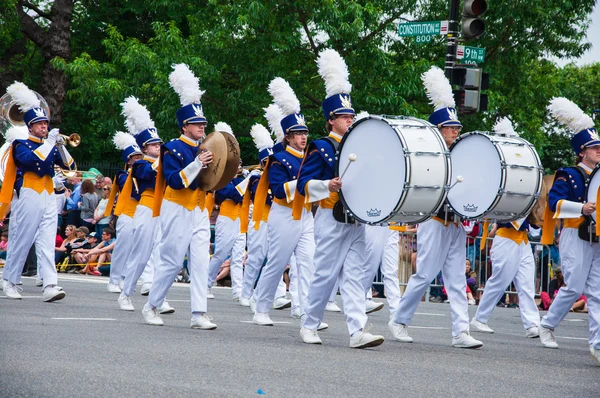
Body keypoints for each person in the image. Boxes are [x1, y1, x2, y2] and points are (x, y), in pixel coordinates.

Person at [388, 66, 482, 348]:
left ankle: (460, 332)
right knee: (425, 274)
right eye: (450, 127)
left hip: (456, 224)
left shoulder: (461, 154)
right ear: (438, 130)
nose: (455, 130)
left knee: (456, 279)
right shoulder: (429, 155)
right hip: (435, 221)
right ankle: (400, 321)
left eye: (456, 127)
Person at [297, 49, 384, 348]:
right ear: (331, 120)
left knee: (357, 275)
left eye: (350, 115)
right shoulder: (321, 147)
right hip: (330, 217)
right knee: (324, 274)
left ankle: (357, 331)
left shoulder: (361, 145)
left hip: (355, 218)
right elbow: (302, 186)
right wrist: (327, 185)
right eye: (344, 117)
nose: (349, 120)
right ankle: (309, 324)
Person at [142, 63, 215, 330]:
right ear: (184, 126)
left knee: (200, 262)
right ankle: (151, 305)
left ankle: (198, 313)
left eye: (203, 123)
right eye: (196, 123)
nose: (201, 127)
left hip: (199, 209)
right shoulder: (172, 148)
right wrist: (197, 163)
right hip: (177, 207)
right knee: (172, 261)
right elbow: (174, 180)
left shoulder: (206, 147)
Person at [250, 79, 317, 328]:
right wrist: (303, 183)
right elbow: (278, 189)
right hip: (285, 214)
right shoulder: (278, 160)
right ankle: (261, 307)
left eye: (305, 132)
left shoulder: (312, 157)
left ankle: (305, 310)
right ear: (287, 137)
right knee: (277, 263)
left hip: (306, 214)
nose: (303, 137)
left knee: (309, 263)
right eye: (298, 134)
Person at [0, 81, 75, 302]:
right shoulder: (20, 144)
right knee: (22, 239)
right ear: (30, 127)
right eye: (39, 124)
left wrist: (60, 145)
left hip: (48, 194)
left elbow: (70, 166)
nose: (44, 127)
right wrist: (49, 144)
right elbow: (31, 161)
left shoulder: (50, 145)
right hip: (29, 194)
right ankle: (10, 280)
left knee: (47, 239)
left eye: (45, 123)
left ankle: (51, 284)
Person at [539, 97, 600, 365]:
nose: (599, 149)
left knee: (598, 291)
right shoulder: (569, 174)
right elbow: (555, 203)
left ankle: (597, 343)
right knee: (574, 286)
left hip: (597, 236)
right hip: (575, 234)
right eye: (594, 146)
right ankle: (548, 324)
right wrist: (581, 208)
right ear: (581, 151)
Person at [470, 118, 540, 338]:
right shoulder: (500, 175)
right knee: (500, 279)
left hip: (523, 239)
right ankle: (479, 318)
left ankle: (532, 324)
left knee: (527, 283)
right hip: (506, 236)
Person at [117, 96, 171, 313]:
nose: (159, 147)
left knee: (163, 255)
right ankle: (125, 293)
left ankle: (159, 298)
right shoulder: (139, 164)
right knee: (141, 255)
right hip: (147, 208)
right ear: (145, 148)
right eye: (154, 145)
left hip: (165, 210)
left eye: (159, 144)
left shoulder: (165, 162)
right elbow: (148, 175)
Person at [238, 123, 289, 311]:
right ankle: (246, 293)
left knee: (277, 257)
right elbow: (267, 197)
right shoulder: (256, 178)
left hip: (275, 219)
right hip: (260, 221)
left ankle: (279, 294)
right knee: (256, 258)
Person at [206, 124, 246, 302]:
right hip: (226, 219)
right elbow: (232, 195)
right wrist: (245, 182)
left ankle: (239, 292)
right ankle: (206, 283)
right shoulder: (221, 180)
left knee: (237, 257)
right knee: (221, 253)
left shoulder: (241, 179)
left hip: (240, 221)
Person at [103, 131, 143, 293]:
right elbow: (134, 191)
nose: (140, 159)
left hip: (141, 214)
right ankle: (114, 280)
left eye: (141, 156)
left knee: (137, 249)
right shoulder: (123, 174)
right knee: (122, 248)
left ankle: (126, 279)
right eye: (136, 157)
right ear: (129, 160)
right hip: (127, 215)